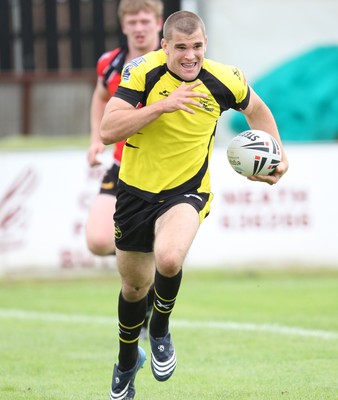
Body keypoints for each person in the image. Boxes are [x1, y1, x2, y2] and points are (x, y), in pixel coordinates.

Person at [100, 10, 289, 400]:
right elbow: (108, 130)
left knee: (169, 259)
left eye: (198, 46)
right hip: (134, 193)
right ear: (164, 46)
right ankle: (125, 361)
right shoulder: (142, 73)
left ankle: (160, 331)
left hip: (187, 191)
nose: (190, 56)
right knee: (134, 287)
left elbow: (257, 110)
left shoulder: (225, 79)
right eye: (181, 47)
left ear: (206, 44)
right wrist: (159, 108)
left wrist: (278, 157)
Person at [85, 0, 164, 339]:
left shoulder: (173, 63)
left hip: (160, 169)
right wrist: (95, 139)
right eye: (133, 21)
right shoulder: (111, 62)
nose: (139, 27)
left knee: (161, 249)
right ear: (124, 25)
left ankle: (145, 305)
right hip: (121, 165)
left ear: (159, 22)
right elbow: (101, 96)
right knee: (99, 241)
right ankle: (143, 288)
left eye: (145, 20)